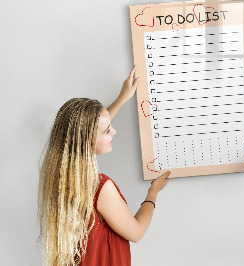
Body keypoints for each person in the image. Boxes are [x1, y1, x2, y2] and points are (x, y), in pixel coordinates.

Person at [38, 66, 170, 266]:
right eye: (108, 131)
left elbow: (92, 129)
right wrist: (153, 193)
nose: (114, 132)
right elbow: (136, 232)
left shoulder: (60, 176)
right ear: (87, 141)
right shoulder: (100, 188)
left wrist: (123, 97)